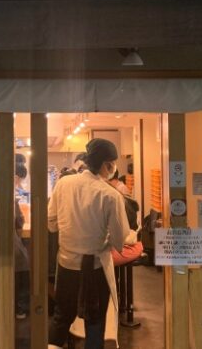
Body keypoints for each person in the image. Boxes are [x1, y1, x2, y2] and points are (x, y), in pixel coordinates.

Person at [47, 139, 131, 349]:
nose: (113, 168)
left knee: (61, 317)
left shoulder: (63, 184)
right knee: (95, 322)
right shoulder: (110, 195)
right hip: (95, 268)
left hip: (66, 264)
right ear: (106, 165)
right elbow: (120, 240)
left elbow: (50, 223)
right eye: (112, 163)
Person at [14, 161, 30, 319]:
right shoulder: (11, 196)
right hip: (12, 245)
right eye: (20, 179)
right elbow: (20, 222)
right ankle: (21, 308)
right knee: (24, 263)